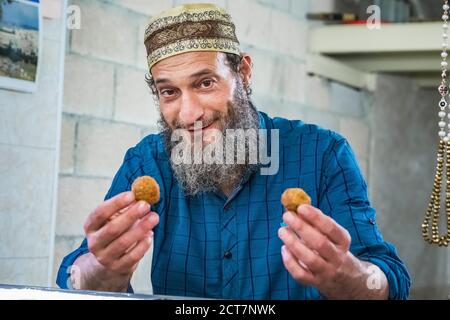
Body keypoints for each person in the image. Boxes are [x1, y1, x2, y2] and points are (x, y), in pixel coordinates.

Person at [57, 3, 411, 299]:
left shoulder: (323, 153)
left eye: (205, 83)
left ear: (243, 72)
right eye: (169, 92)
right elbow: (73, 276)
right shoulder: (148, 162)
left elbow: (390, 279)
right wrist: (99, 271)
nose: (189, 113)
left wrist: (348, 276)